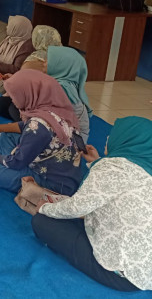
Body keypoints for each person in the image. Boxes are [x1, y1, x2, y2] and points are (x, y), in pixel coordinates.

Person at [32, 116, 152, 292]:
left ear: (125, 138)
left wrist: (44, 207)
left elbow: (76, 207)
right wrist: (96, 163)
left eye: (113, 134)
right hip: (146, 272)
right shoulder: (145, 171)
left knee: (42, 221)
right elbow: (116, 188)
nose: (108, 138)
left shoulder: (112, 168)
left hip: (120, 274)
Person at [0, 70, 83, 195]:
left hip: (52, 183)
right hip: (64, 173)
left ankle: (8, 164)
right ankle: (9, 161)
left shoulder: (37, 127)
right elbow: (24, 126)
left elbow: (16, 161)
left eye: (13, 96)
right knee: (7, 134)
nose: (12, 100)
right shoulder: (54, 108)